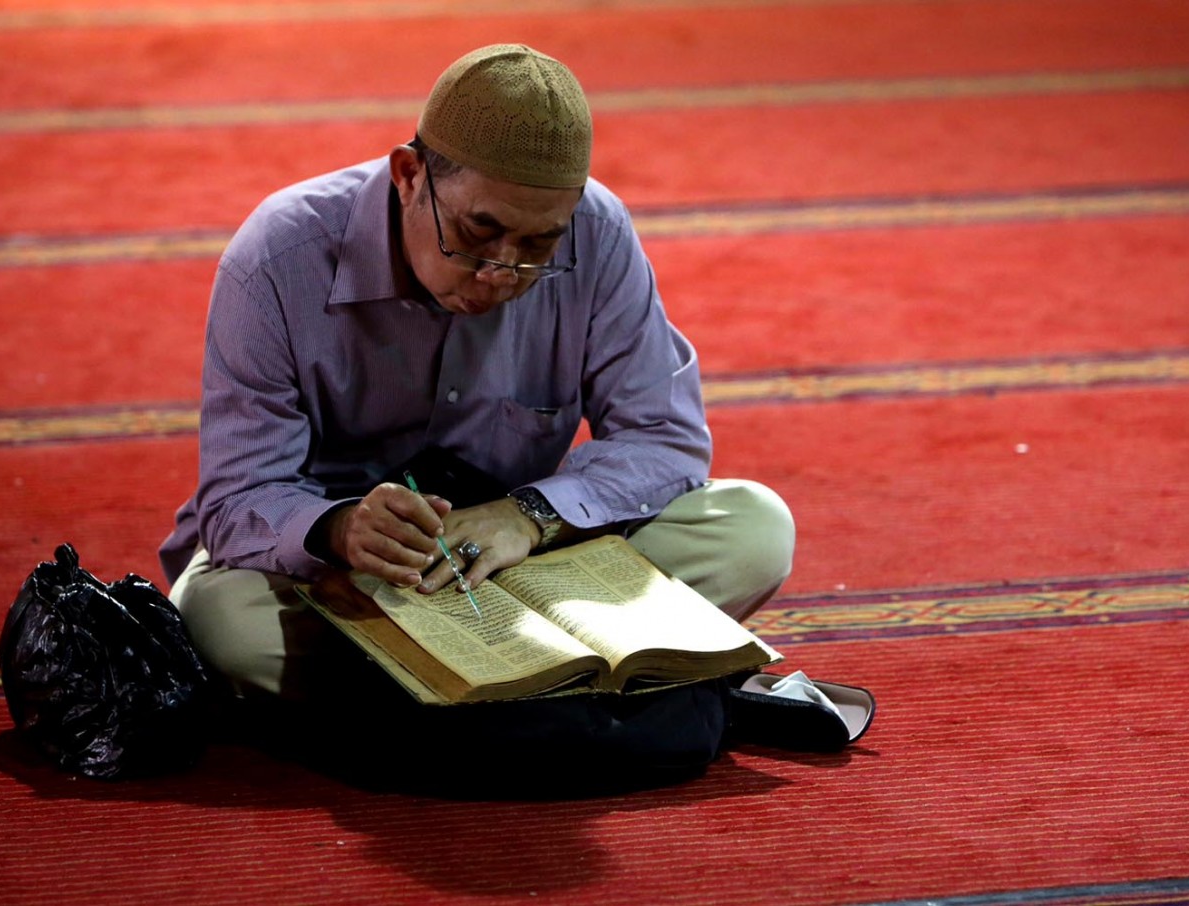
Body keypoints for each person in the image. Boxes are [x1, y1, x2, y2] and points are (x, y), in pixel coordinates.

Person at [159, 44, 796, 711]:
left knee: (752, 529)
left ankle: (430, 697)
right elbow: (238, 497)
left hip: (520, 559)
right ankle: (560, 683)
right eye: (477, 231)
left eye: (537, 246)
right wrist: (343, 528)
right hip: (358, 578)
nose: (501, 272)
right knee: (221, 619)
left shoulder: (596, 233)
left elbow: (664, 441)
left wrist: (529, 516)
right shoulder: (279, 258)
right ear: (409, 175)